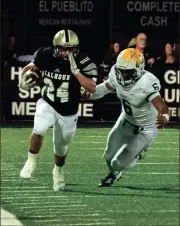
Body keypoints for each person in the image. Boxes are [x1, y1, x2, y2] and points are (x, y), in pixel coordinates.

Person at [18, 29, 98, 191]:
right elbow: (30, 66)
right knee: (39, 128)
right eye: (63, 48)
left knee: (60, 146)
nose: (67, 52)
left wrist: (77, 73)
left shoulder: (83, 61)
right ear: (55, 47)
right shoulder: (45, 54)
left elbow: (92, 87)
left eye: (71, 49)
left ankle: (58, 170)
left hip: (69, 108)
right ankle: (31, 161)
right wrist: (22, 80)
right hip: (48, 100)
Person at [83, 48, 169, 187]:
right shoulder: (116, 74)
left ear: (139, 69)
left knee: (117, 163)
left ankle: (140, 150)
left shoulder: (147, 82)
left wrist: (164, 117)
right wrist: (90, 94)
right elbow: (104, 88)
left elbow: (161, 105)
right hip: (126, 120)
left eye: (127, 72)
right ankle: (115, 175)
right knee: (108, 156)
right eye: (121, 70)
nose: (123, 74)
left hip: (146, 129)